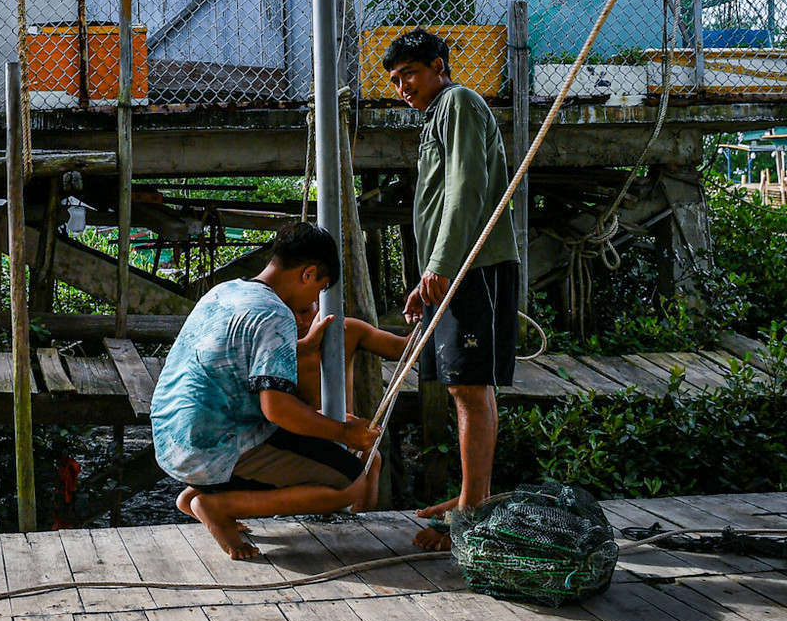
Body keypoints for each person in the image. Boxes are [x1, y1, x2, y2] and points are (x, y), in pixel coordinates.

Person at [151, 221, 383, 560]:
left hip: (171, 441)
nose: (314, 300)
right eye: (318, 288)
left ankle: (196, 495)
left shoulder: (226, 291)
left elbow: (236, 356)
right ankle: (216, 504)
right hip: (217, 443)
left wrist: (300, 347)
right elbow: (278, 409)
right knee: (351, 480)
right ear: (308, 274)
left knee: (308, 451)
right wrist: (343, 432)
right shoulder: (275, 314)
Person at [381, 29, 520, 551]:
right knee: (467, 385)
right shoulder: (435, 116)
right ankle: (473, 499)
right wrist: (426, 279)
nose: (402, 87)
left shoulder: (458, 101)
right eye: (395, 80)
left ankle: (470, 513)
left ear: (439, 66)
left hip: (475, 266)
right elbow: (442, 206)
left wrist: (439, 265)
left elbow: (466, 186)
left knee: (468, 385)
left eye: (410, 74)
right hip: (455, 268)